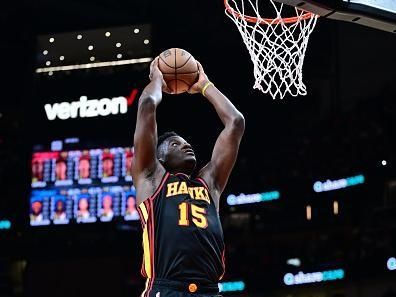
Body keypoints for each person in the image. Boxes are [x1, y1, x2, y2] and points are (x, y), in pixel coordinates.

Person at [132, 58, 245, 297]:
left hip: (210, 291)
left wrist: (205, 85)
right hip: (166, 288)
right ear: (159, 157)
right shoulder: (151, 178)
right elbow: (146, 105)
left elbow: (235, 122)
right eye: (176, 144)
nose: (186, 146)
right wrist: (157, 80)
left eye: (186, 143)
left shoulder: (209, 183)